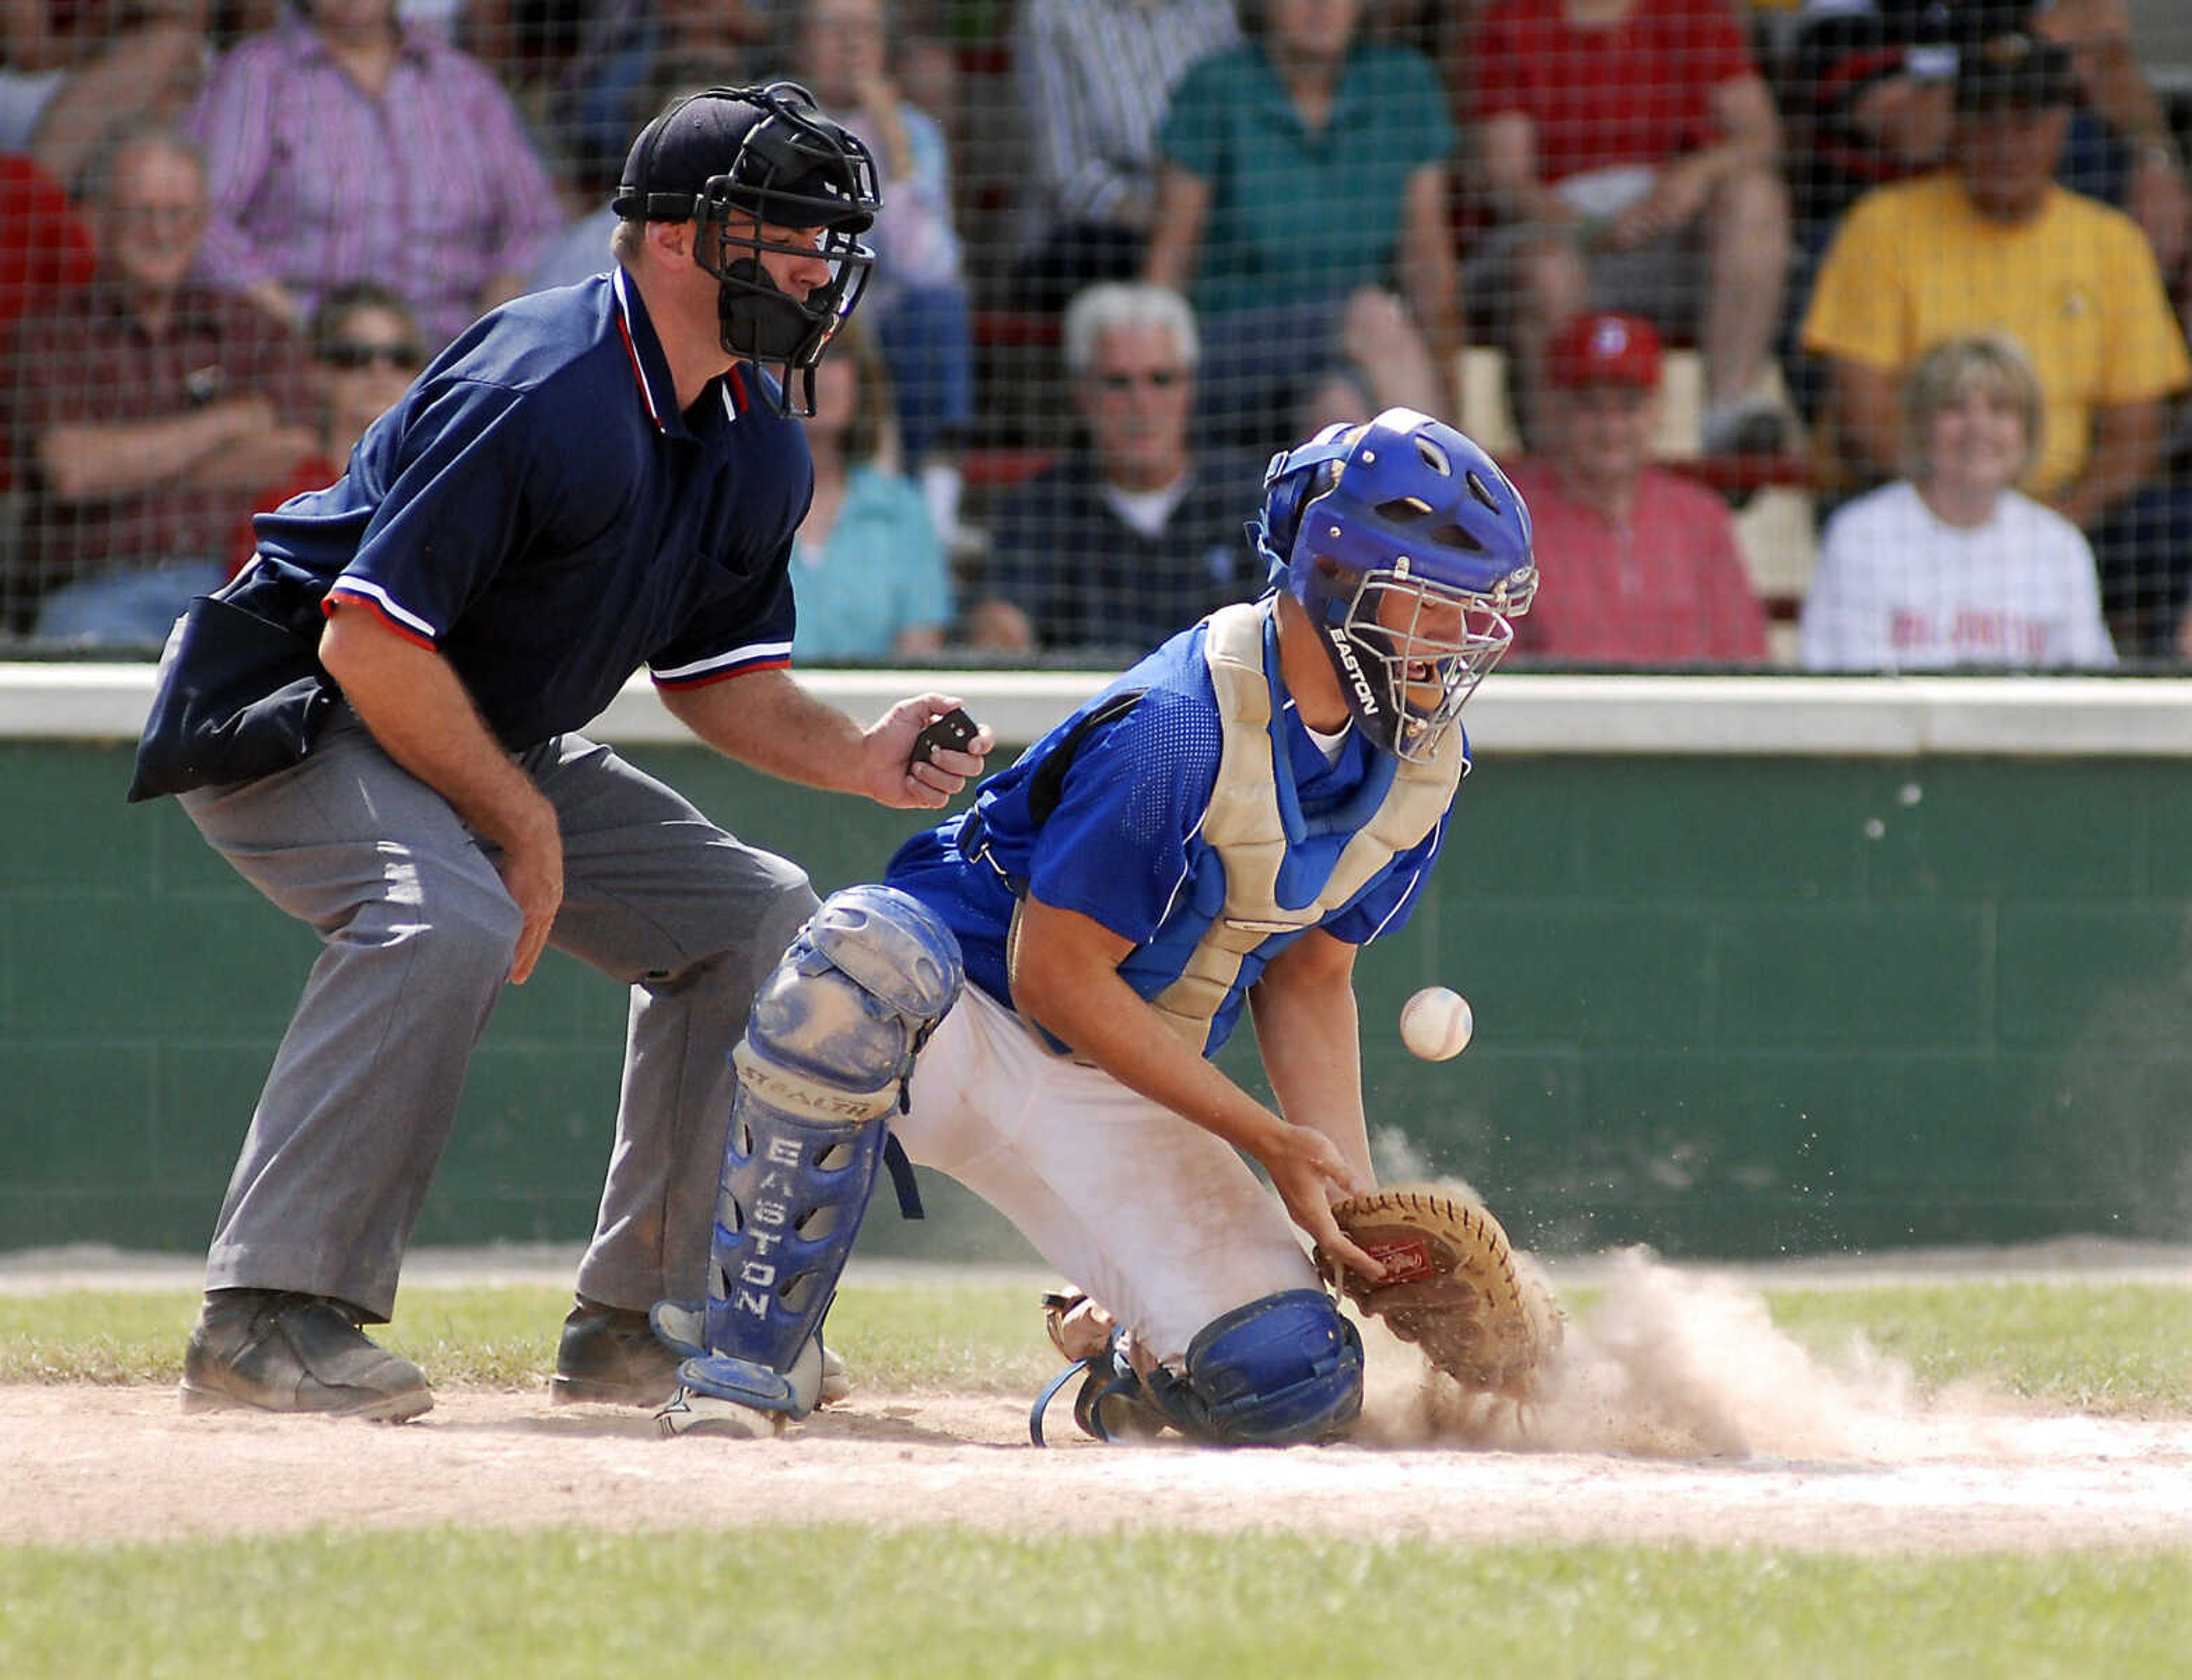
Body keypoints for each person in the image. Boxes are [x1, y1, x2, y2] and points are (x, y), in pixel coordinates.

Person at [130, 83, 992, 1422]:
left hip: (473, 728)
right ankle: (264, 1317)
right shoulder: (543, 381)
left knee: (756, 912)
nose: (821, 268)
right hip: (295, 708)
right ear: (672, 241)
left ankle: (639, 1317)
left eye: (830, 239)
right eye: (788, 232)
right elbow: (366, 642)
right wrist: (521, 824)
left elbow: (722, 680)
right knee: (442, 915)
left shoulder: (755, 435)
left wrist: (860, 755)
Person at [647, 406, 1542, 1446]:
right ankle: (747, 1363)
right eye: (1435, 608)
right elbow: (1055, 979)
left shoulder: (1416, 765)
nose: (1461, 643)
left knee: (1291, 1378)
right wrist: (1262, 1139)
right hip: (950, 1025)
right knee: (859, 961)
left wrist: (1346, 1204)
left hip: (1116, 1083)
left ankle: (1127, 1351)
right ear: (1341, 582)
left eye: (1475, 616)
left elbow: (1308, 978)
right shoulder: (1178, 725)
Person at [1800, 29, 2192, 653]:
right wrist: (1957, 503)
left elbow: (2137, 430)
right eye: (1989, 122)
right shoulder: (1882, 224)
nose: (2008, 143)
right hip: (1917, 498)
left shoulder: (2111, 240)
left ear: (2062, 126)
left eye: (2029, 121)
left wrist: (2052, 521)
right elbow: (1865, 415)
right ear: (1957, 124)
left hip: (2078, 515)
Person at [3, 121, 313, 641]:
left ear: (203, 222)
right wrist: (228, 422)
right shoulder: (48, 335)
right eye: (141, 213)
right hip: (94, 592)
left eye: (178, 214)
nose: (161, 231)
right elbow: (74, 470)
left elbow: (298, 450)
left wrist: (127, 463)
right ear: (99, 220)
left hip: (238, 586)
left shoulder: (251, 329)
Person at [1466, 0, 1792, 455]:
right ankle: (1559, 464)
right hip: (1559, 231)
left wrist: (1694, 176)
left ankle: (1727, 416)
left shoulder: (1694, 12)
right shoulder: (1513, 18)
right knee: (1546, 272)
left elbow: (1759, 135)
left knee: (1756, 198)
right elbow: (1506, 179)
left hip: (1671, 232)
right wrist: (1590, 228)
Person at [1146, 0, 1459, 452]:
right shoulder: (1215, 85)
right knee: (1371, 316)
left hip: (1346, 358)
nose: (1320, 7)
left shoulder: (1405, 85)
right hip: (1230, 352)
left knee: (1342, 416)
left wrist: (1452, 393)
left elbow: (1430, 265)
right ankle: (1447, 493)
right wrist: (1158, 379)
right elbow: (1169, 258)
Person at [183, 0, 566, 350]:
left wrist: (490, 330)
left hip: (452, 357)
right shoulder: (257, 75)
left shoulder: (463, 82)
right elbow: (202, 217)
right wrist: (291, 320)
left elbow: (535, 221)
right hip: (309, 354)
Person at [966, 282, 1268, 656]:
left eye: (1161, 380)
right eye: (1117, 383)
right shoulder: (1041, 506)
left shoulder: (1251, 499)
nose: (1141, 405)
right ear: (1082, 393)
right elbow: (1001, 623)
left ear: (1190, 387)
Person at [1799, 332, 2115, 670]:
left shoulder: (2060, 546)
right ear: (1921, 426)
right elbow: (1849, 692)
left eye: (2000, 409)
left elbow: (2086, 689)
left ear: (2028, 431)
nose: (1978, 426)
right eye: (1955, 408)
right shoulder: (1861, 535)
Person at [1505, 311, 1768, 664]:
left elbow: (1746, 661)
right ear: (1555, 408)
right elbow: (1491, 675)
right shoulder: (1511, 520)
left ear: (1658, 410)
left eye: (1629, 408)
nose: (1611, 428)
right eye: (1592, 408)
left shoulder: (1701, 519)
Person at [791, 0, 970, 473]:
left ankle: (933, 495)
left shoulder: (911, 131)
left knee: (938, 309)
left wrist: (894, 147)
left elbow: (929, 265)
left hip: (880, 315)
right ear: (803, 41)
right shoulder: (771, 113)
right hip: (788, 301)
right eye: (835, 28)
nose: (852, 44)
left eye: (866, 30)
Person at [1008, 0, 1241, 311]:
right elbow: (1068, 176)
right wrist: (1172, 222)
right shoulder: (1051, 12)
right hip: (1096, 235)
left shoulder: (1213, 9)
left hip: (1204, 226)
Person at [788, 316, 952, 661]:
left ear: (861, 377)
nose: (816, 371)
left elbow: (920, 650)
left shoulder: (903, 509)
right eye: (796, 354)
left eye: (834, 354)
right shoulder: (729, 503)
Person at [231, 280, 424, 573]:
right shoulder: (288, 499)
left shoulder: (435, 485)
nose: (379, 370)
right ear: (316, 370)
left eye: (400, 357)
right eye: (353, 356)